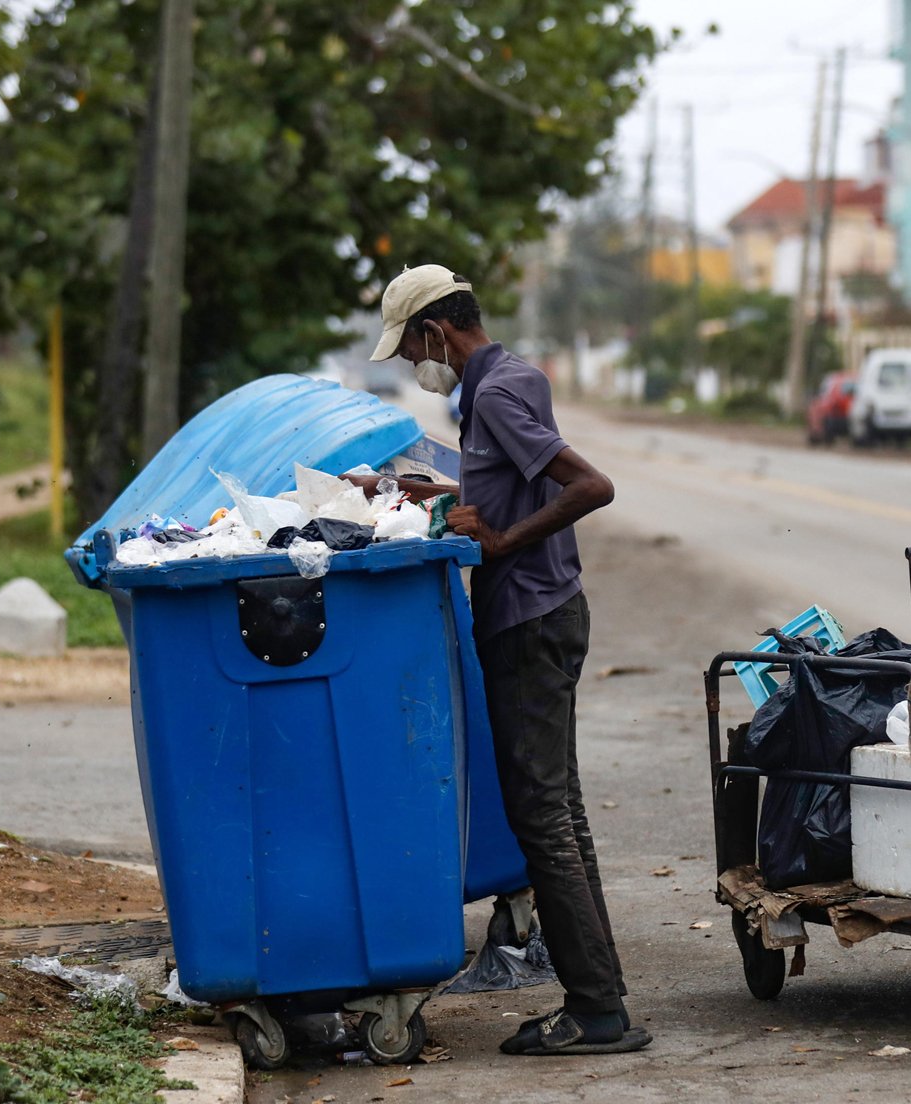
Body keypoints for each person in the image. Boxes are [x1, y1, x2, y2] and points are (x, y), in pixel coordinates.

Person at [357, 265, 649, 1057]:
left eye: (410, 346)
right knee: (560, 812)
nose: (413, 361)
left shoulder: (493, 392)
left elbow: (590, 486)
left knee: (542, 818)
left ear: (435, 331)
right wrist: (423, 495)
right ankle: (601, 997)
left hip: (529, 620)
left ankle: (596, 1011)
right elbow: (509, 484)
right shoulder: (506, 380)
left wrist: (501, 542)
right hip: (544, 613)